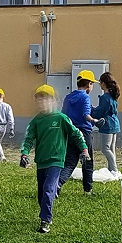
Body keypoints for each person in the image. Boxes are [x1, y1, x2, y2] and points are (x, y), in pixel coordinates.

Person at [19, 84, 87, 234]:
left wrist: (84, 149)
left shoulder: (61, 118)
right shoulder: (37, 121)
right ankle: (45, 212)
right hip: (41, 161)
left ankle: (45, 220)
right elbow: (28, 138)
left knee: (49, 189)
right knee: (41, 192)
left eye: (46, 99)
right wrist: (24, 153)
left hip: (56, 160)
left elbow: (76, 134)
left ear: (53, 101)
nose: (42, 102)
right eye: (39, 99)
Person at [61, 70, 96, 193]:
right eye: (92, 84)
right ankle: (88, 190)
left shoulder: (68, 97)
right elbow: (86, 114)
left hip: (70, 132)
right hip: (84, 133)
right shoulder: (85, 97)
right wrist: (94, 120)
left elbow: (63, 115)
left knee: (69, 163)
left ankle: (57, 184)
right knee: (87, 162)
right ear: (89, 84)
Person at [94, 73, 121, 174]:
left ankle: (114, 169)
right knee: (111, 147)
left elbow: (101, 111)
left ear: (104, 84)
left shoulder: (105, 97)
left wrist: (92, 111)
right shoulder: (112, 96)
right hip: (114, 123)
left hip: (108, 125)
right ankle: (111, 169)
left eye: (100, 82)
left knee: (105, 148)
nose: (100, 84)